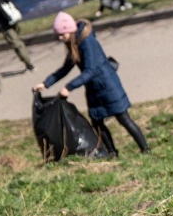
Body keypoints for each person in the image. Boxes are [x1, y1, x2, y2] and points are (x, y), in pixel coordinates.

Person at [33, 12, 150, 156]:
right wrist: (45, 84)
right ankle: (112, 152)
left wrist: (69, 87)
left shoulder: (87, 42)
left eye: (62, 34)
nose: (60, 37)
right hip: (94, 89)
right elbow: (65, 68)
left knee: (123, 119)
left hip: (107, 85)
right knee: (97, 122)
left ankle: (146, 150)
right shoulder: (74, 43)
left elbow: (90, 71)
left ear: (69, 29)